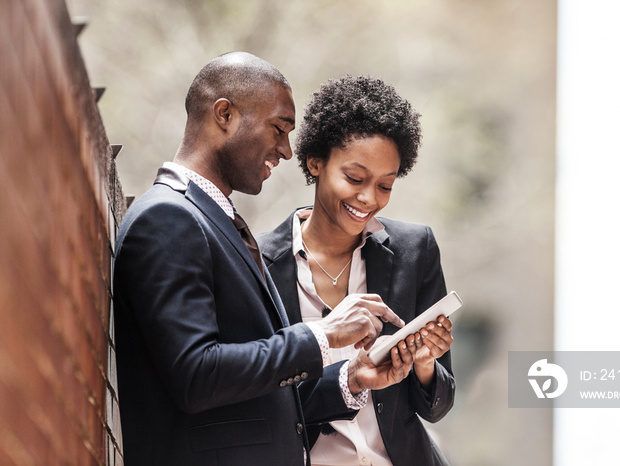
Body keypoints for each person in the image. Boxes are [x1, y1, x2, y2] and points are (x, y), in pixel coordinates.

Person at [112, 52, 423, 465]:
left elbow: (255, 403)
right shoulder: (168, 218)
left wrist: (350, 377)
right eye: (278, 129)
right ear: (224, 114)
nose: (286, 151)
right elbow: (197, 375)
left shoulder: (215, 221)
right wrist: (324, 335)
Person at [258, 75, 456, 465]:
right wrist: (348, 379)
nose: (369, 199)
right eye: (354, 178)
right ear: (315, 162)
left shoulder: (415, 251)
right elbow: (266, 408)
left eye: (385, 185)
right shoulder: (258, 263)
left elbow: (436, 408)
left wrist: (425, 362)